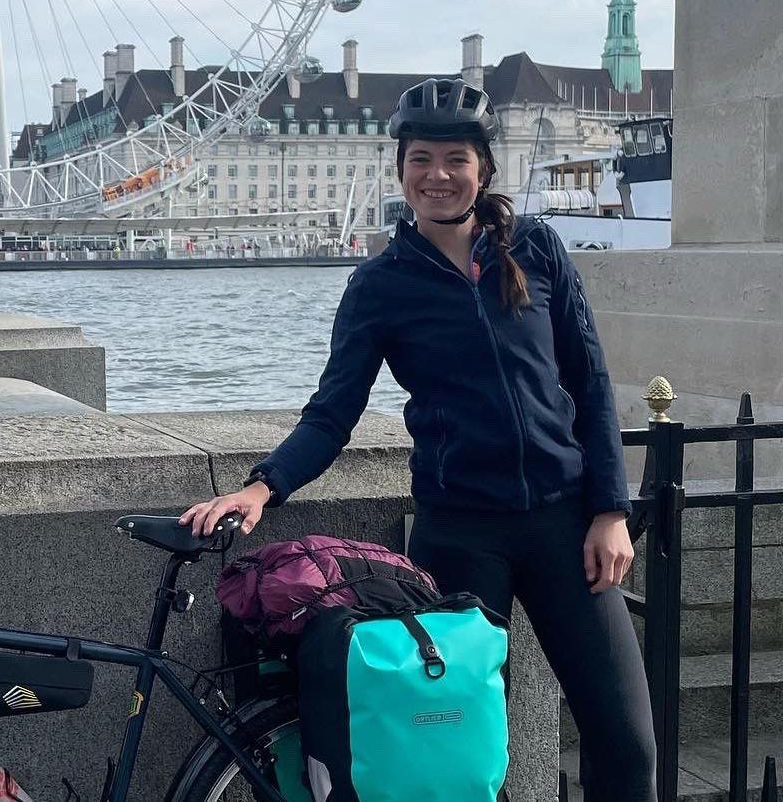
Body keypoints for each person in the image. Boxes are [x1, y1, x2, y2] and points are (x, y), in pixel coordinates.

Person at [180, 78, 657, 801]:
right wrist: (262, 484)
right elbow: (333, 412)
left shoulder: (537, 248)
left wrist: (610, 510)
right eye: (421, 159)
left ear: (483, 170)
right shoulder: (381, 284)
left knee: (626, 741)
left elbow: (589, 384)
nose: (438, 175)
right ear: (400, 170)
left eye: (456, 158)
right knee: (449, 749)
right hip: (462, 533)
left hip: (565, 523)